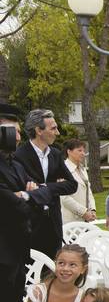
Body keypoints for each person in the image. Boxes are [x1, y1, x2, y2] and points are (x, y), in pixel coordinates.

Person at [14, 108, 78, 259]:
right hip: (30, 225)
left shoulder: (55, 154)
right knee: (30, 274)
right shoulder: (19, 155)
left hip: (54, 225)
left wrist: (45, 187)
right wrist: (55, 186)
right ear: (38, 130)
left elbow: (72, 185)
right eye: (53, 128)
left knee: (52, 272)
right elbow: (21, 187)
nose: (57, 133)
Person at [0, 105, 34, 302]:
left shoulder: (16, 163)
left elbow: (36, 195)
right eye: (15, 131)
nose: (20, 137)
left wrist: (27, 195)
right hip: (2, 252)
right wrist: (24, 196)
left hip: (18, 250)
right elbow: (12, 204)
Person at [61, 139, 97, 224]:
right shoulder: (62, 169)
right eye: (79, 150)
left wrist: (92, 209)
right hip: (70, 221)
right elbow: (64, 198)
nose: (83, 153)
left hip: (85, 220)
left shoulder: (82, 169)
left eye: (84, 151)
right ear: (69, 151)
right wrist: (83, 212)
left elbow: (89, 191)